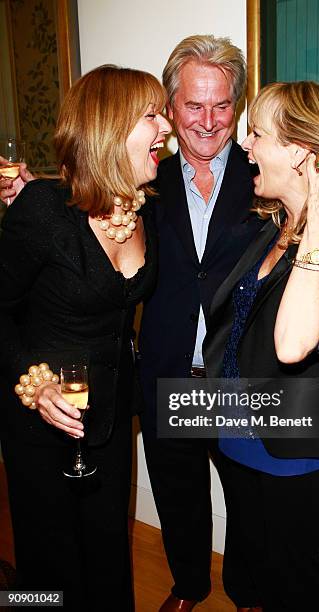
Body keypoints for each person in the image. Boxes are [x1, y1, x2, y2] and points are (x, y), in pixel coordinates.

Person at [0, 35, 319, 612]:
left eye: (226, 108)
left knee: (207, 522)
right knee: (61, 556)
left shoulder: (261, 188)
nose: (206, 122)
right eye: (178, 108)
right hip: (135, 384)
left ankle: (244, 592)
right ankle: (159, 589)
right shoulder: (140, 185)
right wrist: (35, 197)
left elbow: (318, 253)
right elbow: (69, 223)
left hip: (228, 392)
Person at [202, 80, 319, 611]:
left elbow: (293, 344)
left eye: (257, 133)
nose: (244, 145)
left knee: (290, 579)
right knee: (245, 568)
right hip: (233, 430)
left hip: (294, 445)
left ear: (300, 149)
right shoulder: (271, 224)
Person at [0, 64, 170, 611]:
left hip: (111, 416)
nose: (166, 127)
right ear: (109, 126)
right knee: (49, 559)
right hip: (42, 414)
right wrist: (36, 384)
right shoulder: (45, 210)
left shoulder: (147, 207)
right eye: (152, 115)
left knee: (106, 546)